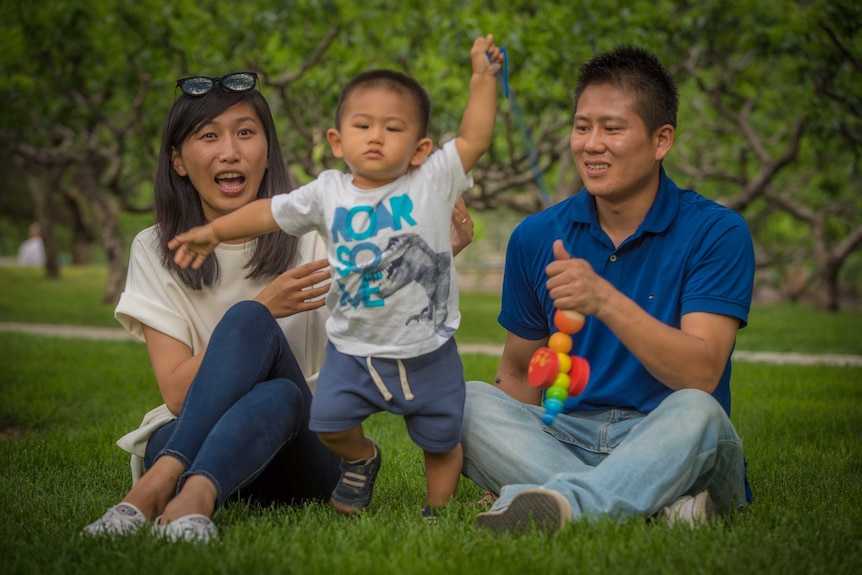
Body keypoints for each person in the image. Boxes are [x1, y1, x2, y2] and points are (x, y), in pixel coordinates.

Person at [81, 70, 477, 542]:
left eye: (246, 133)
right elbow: (177, 396)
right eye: (209, 136)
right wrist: (265, 306)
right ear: (178, 160)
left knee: (283, 390)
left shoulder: (319, 232)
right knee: (259, 346)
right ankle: (190, 502)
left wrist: (440, 251)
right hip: (193, 437)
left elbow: (381, 305)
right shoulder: (154, 248)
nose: (230, 151)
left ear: (267, 151)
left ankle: (150, 494)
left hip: (303, 450)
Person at [169, 35, 503, 518]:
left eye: (393, 128)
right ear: (336, 140)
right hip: (354, 349)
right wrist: (215, 231)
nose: (375, 136)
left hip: (426, 350)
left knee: (440, 438)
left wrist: (481, 78)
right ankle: (362, 457)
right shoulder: (327, 192)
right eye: (362, 125)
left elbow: (475, 139)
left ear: (419, 147)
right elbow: (266, 212)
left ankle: (436, 511)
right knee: (328, 422)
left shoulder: (434, 177)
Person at [460, 45, 756, 532]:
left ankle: (564, 503)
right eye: (582, 127)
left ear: (661, 140)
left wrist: (604, 300)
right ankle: (653, 508)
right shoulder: (536, 236)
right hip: (567, 434)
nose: (591, 144)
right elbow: (516, 376)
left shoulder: (716, 232)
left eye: (611, 129)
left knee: (698, 412)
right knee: (467, 403)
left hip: (669, 437)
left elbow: (701, 374)